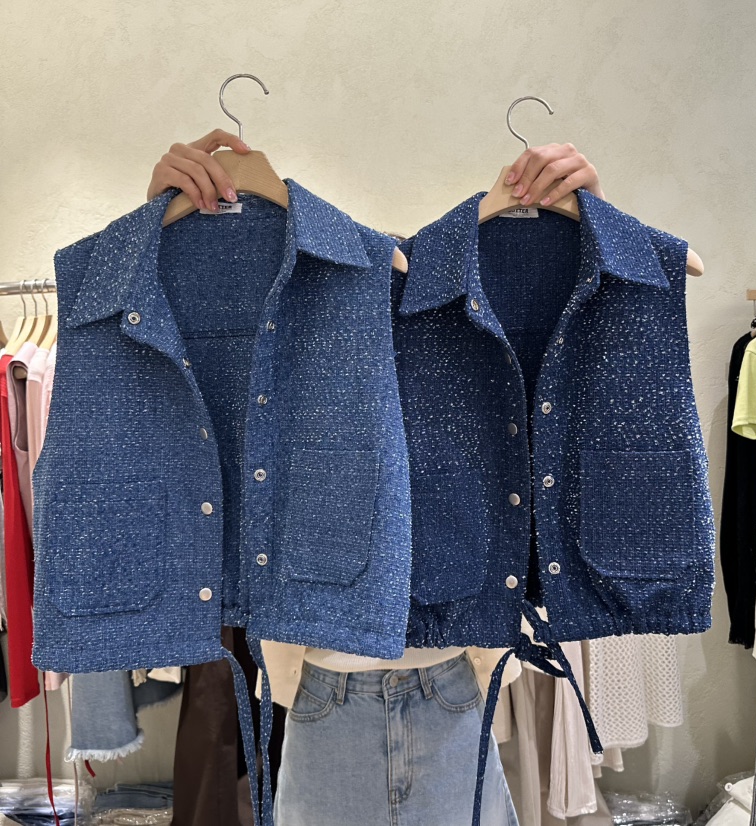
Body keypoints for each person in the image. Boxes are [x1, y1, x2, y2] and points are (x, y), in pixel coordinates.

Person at [146, 131, 605, 826]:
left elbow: (560, 432)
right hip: (318, 690)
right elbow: (195, 436)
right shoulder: (286, 330)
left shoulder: (468, 322)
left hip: (458, 680)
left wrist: (584, 241)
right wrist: (165, 242)